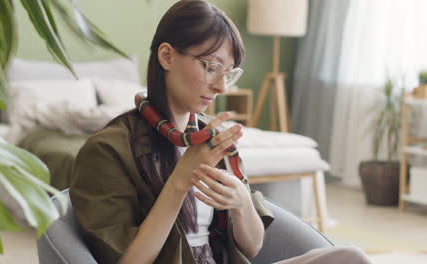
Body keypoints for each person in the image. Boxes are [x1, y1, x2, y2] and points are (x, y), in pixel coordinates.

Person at [70, 1, 373, 263]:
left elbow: (253, 247)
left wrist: (241, 201)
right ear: (167, 56)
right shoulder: (108, 150)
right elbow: (129, 261)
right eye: (211, 67)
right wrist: (180, 180)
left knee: (351, 258)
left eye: (228, 73)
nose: (222, 87)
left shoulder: (213, 140)